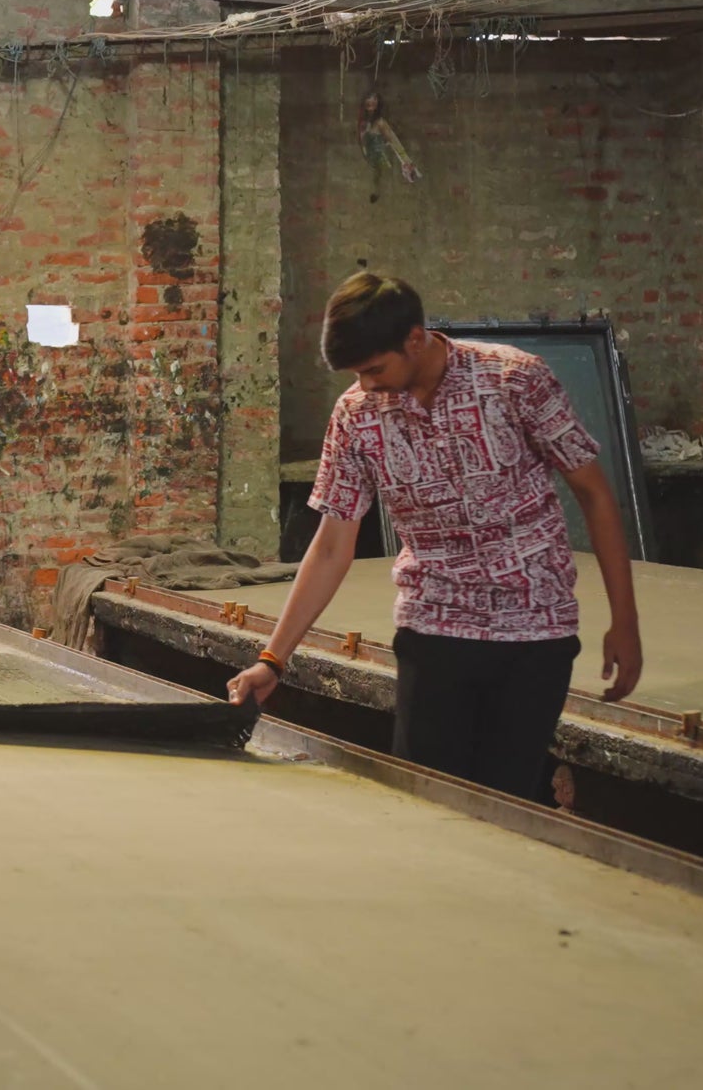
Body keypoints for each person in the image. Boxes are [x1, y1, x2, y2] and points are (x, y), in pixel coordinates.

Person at [229, 273, 643, 800]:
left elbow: (595, 494)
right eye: (358, 374)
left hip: (535, 628)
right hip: (434, 626)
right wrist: (273, 660)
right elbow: (333, 544)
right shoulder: (357, 415)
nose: (368, 385)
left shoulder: (513, 379)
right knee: (425, 801)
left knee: (509, 803)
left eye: (375, 369)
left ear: (416, 339)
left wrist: (624, 622)